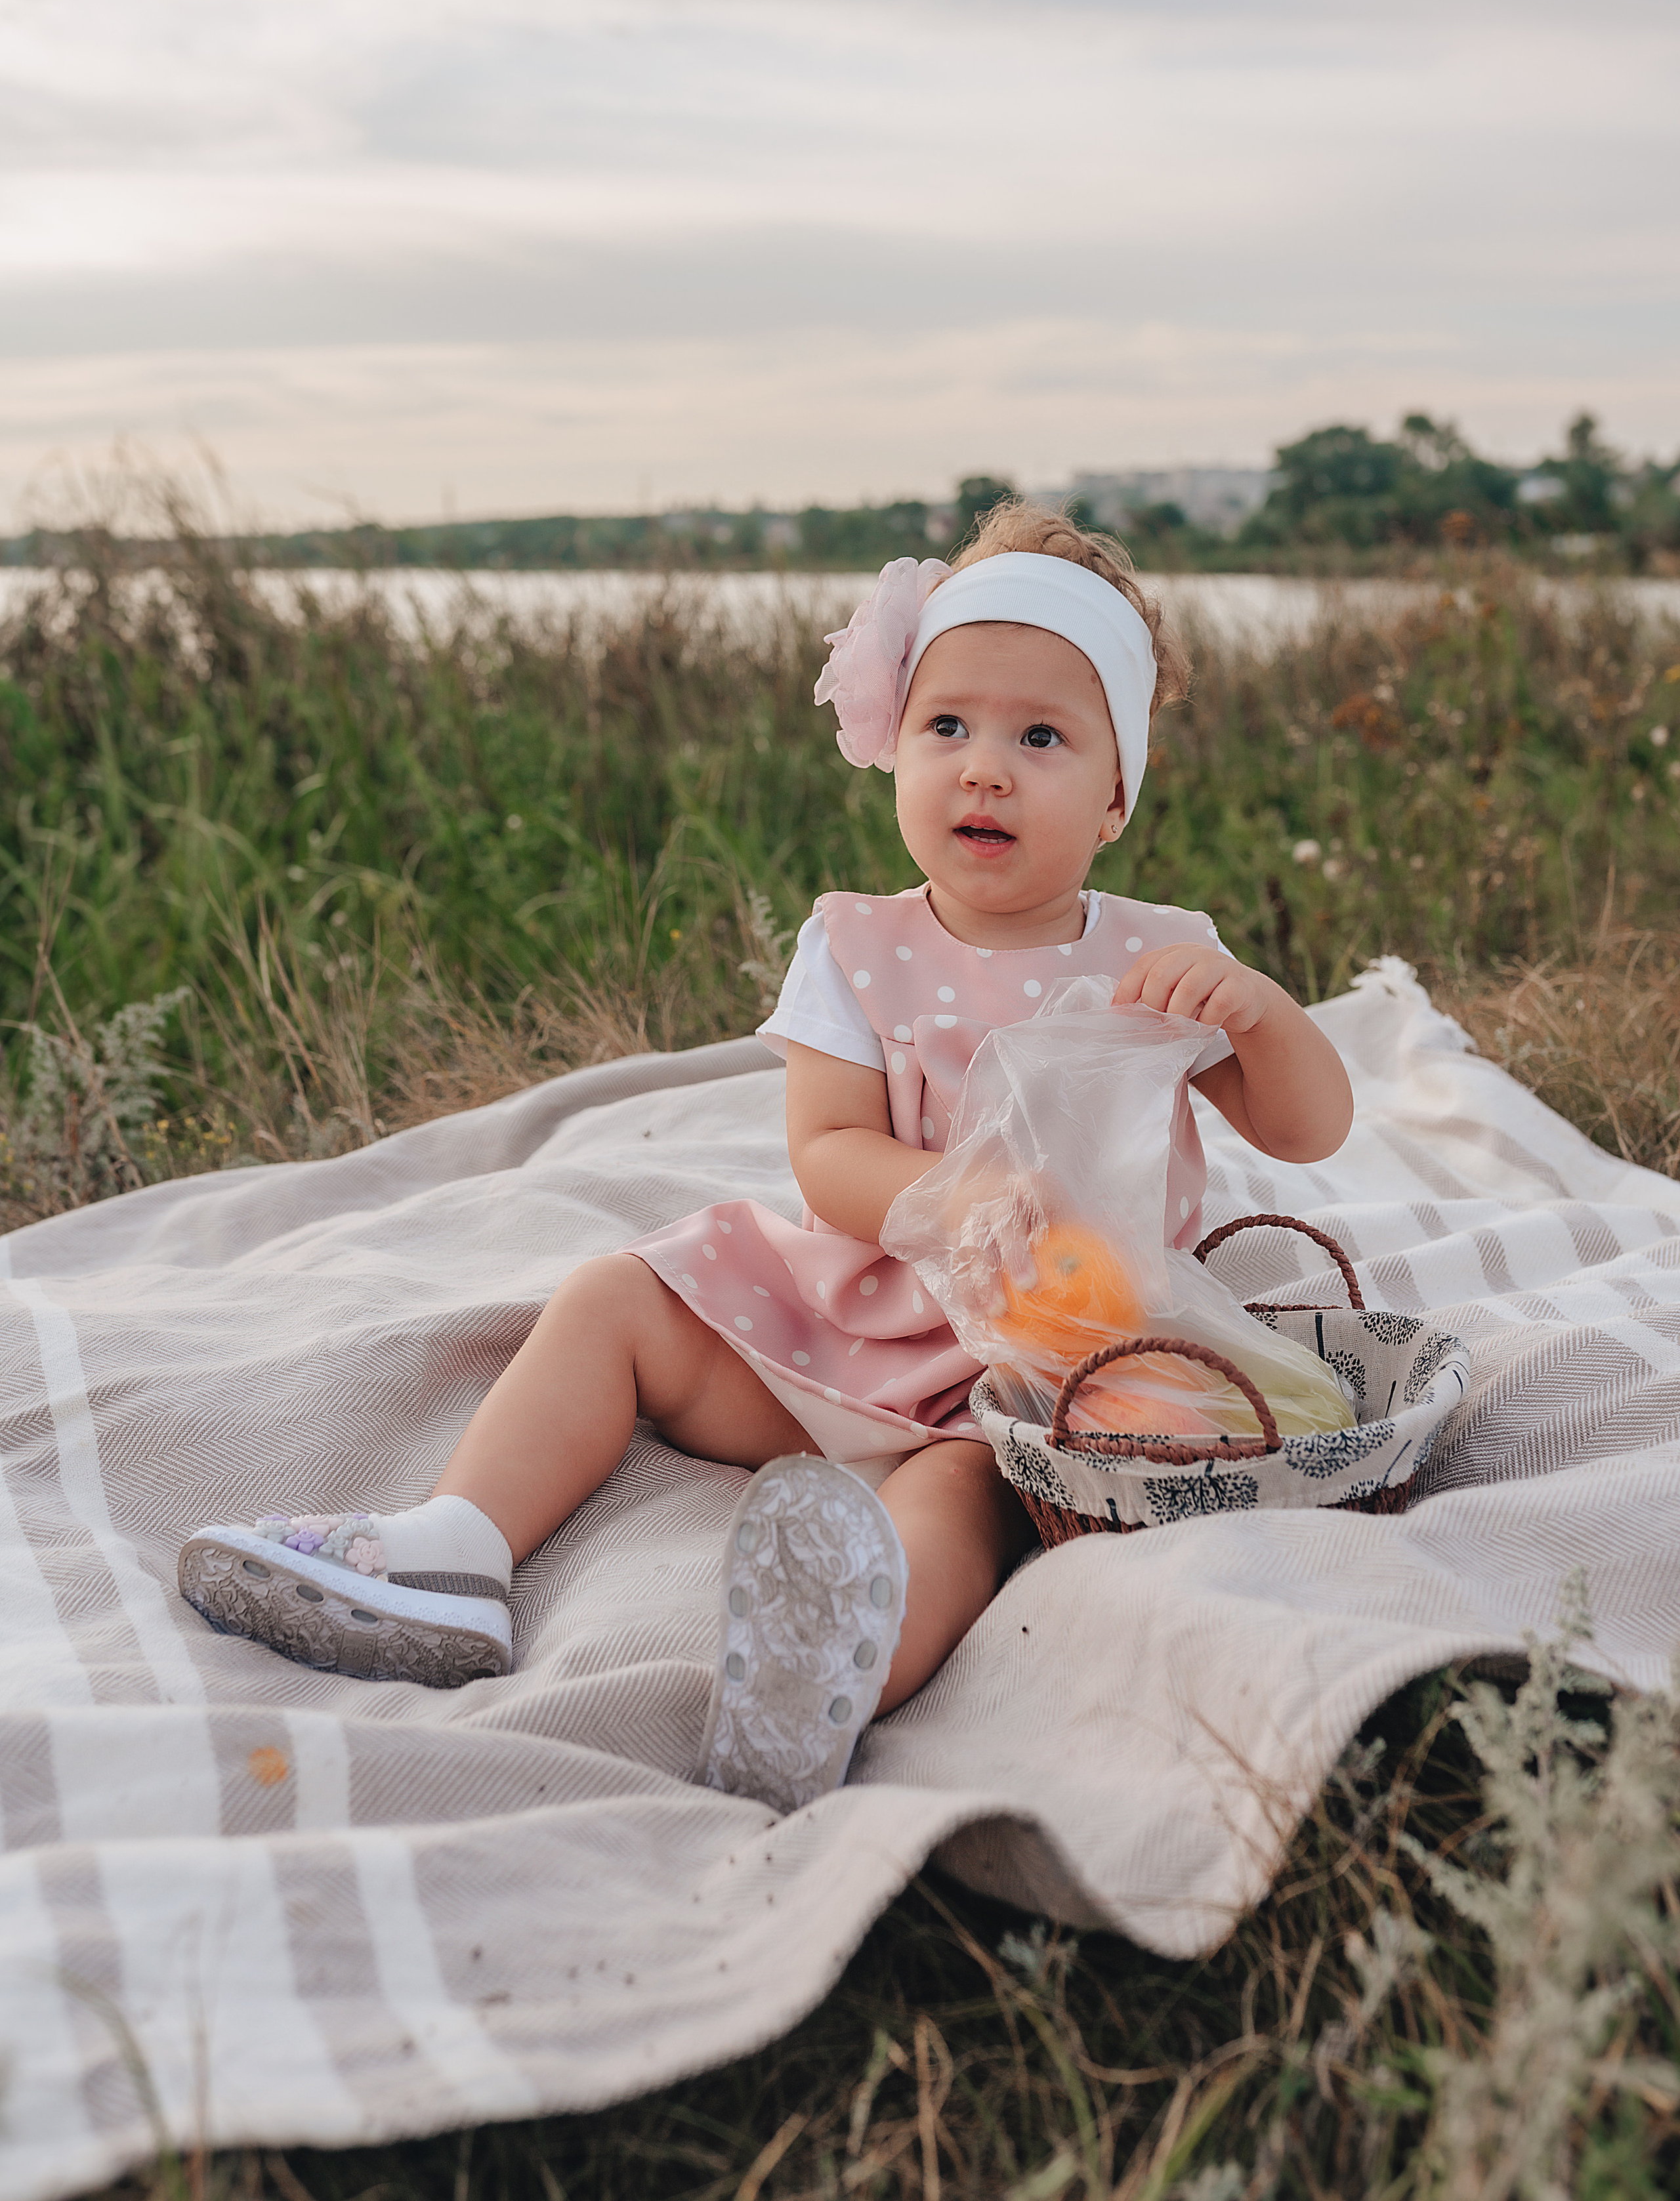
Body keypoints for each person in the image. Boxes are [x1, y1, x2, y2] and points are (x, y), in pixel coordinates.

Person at [179, 503, 1353, 1809]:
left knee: (961, 1498)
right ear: (894, 745)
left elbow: (1305, 1127)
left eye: (1041, 737)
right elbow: (827, 1152)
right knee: (615, 1298)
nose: (983, 769)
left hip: (1042, 1362)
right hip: (857, 1320)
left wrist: (1257, 1006)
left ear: (1116, 792)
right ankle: (453, 1551)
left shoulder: (1156, 957)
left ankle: (825, 1677)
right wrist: (949, 1189)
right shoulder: (857, 942)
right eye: (945, 726)